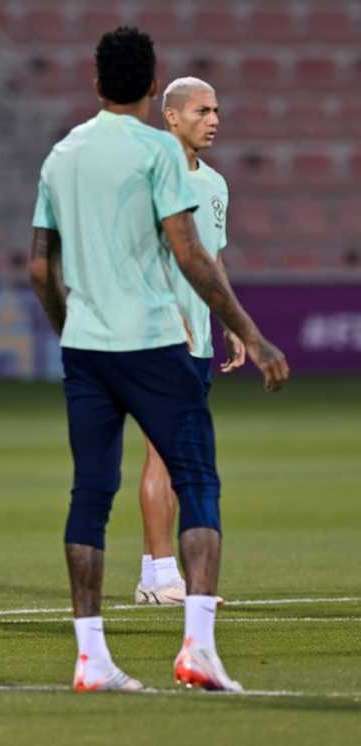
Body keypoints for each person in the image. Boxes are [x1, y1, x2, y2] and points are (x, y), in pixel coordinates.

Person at [28, 28, 289, 692]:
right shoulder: (157, 151)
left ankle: (91, 658)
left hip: (87, 346)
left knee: (89, 494)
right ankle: (196, 649)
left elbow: (38, 267)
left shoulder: (61, 155)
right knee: (197, 478)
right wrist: (251, 334)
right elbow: (190, 252)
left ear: (95, 84)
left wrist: (71, 325)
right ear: (152, 88)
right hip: (151, 339)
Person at [135, 77, 243, 606]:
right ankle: (157, 576)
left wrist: (231, 322)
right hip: (158, 341)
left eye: (217, 110)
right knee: (162, 454)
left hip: (198, 339)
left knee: (182, 458)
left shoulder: (216, 185)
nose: (214, 119)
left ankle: (156, 573)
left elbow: (214, 260)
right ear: (172, 117)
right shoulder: (150, 177)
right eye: (202, 110)